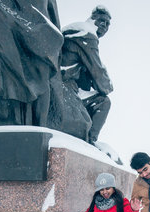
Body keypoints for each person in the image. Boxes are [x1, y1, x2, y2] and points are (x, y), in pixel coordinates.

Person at [61, 6, 113, 144]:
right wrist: (108, 87)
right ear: (93, 19)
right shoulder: (87, 35)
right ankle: (89, 142)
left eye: (108, 24)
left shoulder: (75, 30)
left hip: (64, 84)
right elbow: (98, 72)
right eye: (102, 20)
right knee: (103, 102)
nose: (105, 25)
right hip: (66, 87)